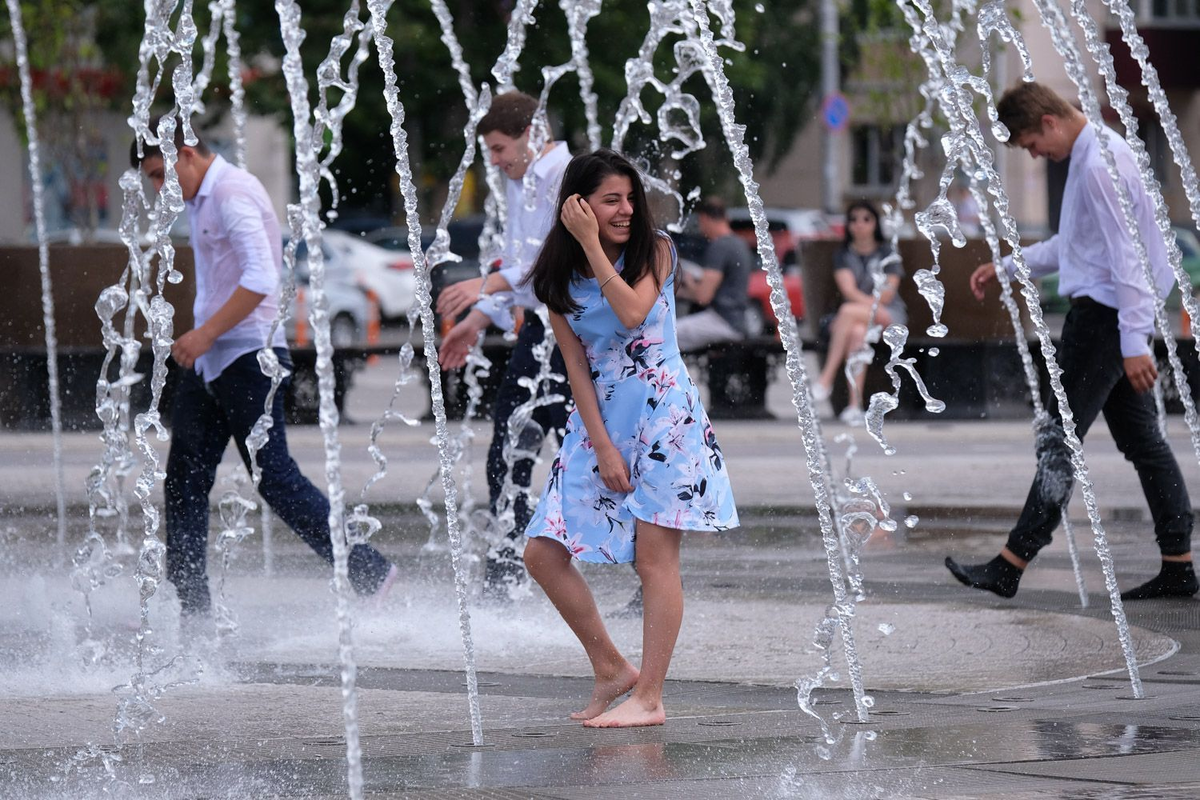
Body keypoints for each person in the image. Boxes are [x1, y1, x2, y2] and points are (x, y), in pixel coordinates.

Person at [131, 120, 397, 621]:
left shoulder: (232, 194)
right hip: (214, 361)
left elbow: (261, 278)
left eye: (162, 173)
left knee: (274, 478)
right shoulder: (202, 198)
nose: (160, 188)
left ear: (187, 153)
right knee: (183, 479)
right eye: (151, 179)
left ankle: (369, 571)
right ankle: (191, 607)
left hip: (248, 357)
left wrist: (204, 334)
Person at [945, 82, 1196, 600]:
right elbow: (1077, 246)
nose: (1036, 155)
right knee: (1145, 444)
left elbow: (1129, 259)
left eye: (1032, 145)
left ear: (1048, 123)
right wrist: (1010, 266)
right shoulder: (1096, 155)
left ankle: (1011, 563)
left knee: (1060, 441)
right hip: (1112, 318)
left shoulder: (1100, 165)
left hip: (1104, 322)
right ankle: (1178, 565)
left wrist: (1132, 341)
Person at [520, 149, 740, 727]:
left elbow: (634, 312)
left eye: (629, 198)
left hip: (665, 416)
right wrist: (602, 446)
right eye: (609, 200)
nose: (624, 210)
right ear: (579, 206)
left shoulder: (656, 248)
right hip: (601, 424)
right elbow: (577, 369)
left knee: (655, 561)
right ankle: (611, 669)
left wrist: (594, 246)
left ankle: (651, 697)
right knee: (542, 552)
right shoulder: (555, 278)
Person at [435, 92, 572, 598]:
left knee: (584, 457)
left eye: (498, 148)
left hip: (574, 335)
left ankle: (648, 569)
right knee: (509, 448)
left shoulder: (567, 177)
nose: (493, 161)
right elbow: (519, 265)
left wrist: (485, 287)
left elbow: (561, 263)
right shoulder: (524, 180)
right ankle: (505, 569)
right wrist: (476, 319)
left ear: (531, 135)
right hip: (540, 331)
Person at [812, 200, 906, 421]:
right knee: (856, 333)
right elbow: (847, 289)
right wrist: (868, 305)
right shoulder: (843, 254)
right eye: (854, 219)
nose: (859, 225)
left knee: (847, 311)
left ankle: (827, 377)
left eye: (866, 219)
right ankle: (855, 404)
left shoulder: (887, 252)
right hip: (860, 317)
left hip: (888, 315)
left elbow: (888, 295)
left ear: (875, 223)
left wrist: (868, 306)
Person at [674, 197, 752, 351]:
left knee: (664, 336)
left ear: (704, 218)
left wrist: (688, 285)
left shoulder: (719, 246)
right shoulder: (740, 244)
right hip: (739, 320)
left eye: (700, 223)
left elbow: (703, 297)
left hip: (722, 320)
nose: (701, 229)